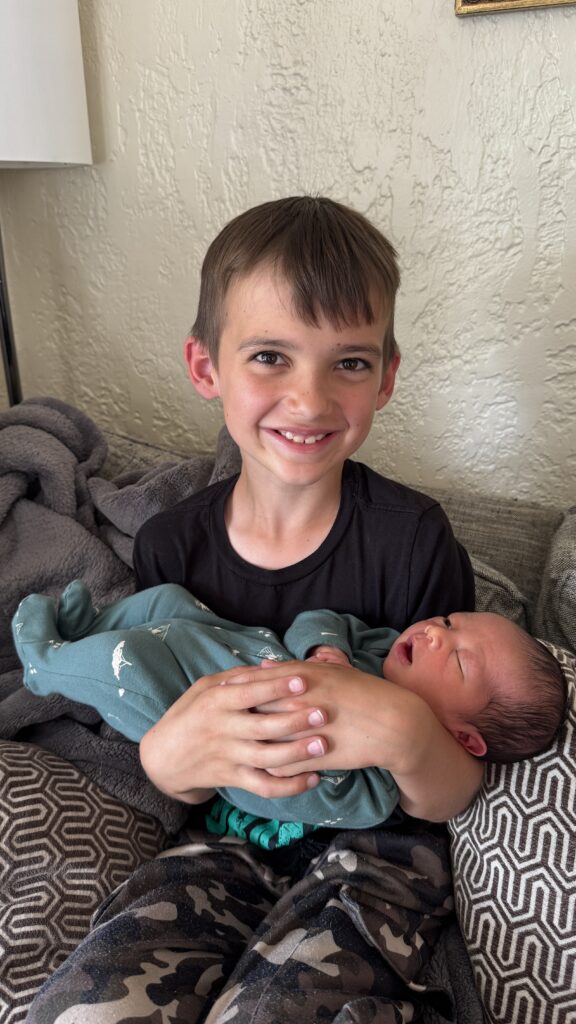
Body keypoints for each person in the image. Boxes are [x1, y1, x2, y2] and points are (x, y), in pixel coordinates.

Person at [25, 195, 481, 1024]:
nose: (309, 399)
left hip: (377, 857)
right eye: (271, 356)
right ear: (206, 368)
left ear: (386, 376)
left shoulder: (413, 540)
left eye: (349, 363)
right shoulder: (172, 543)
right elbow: (158, 736)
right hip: (221, 845)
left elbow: (455, 777)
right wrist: (168, 758)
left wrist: (410, 732)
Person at [14, 581, 566, 836]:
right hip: (228, 642)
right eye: (448, 622)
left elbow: (299, 791)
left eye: (460, 662)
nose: (436, 634)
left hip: (198, 703)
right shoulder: (381, 646)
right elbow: (323, 618)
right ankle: (89, 627)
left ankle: (45, 662)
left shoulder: (376, 783)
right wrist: (324, 649)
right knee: (168, 600)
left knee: (127, 664)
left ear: (465, 738)